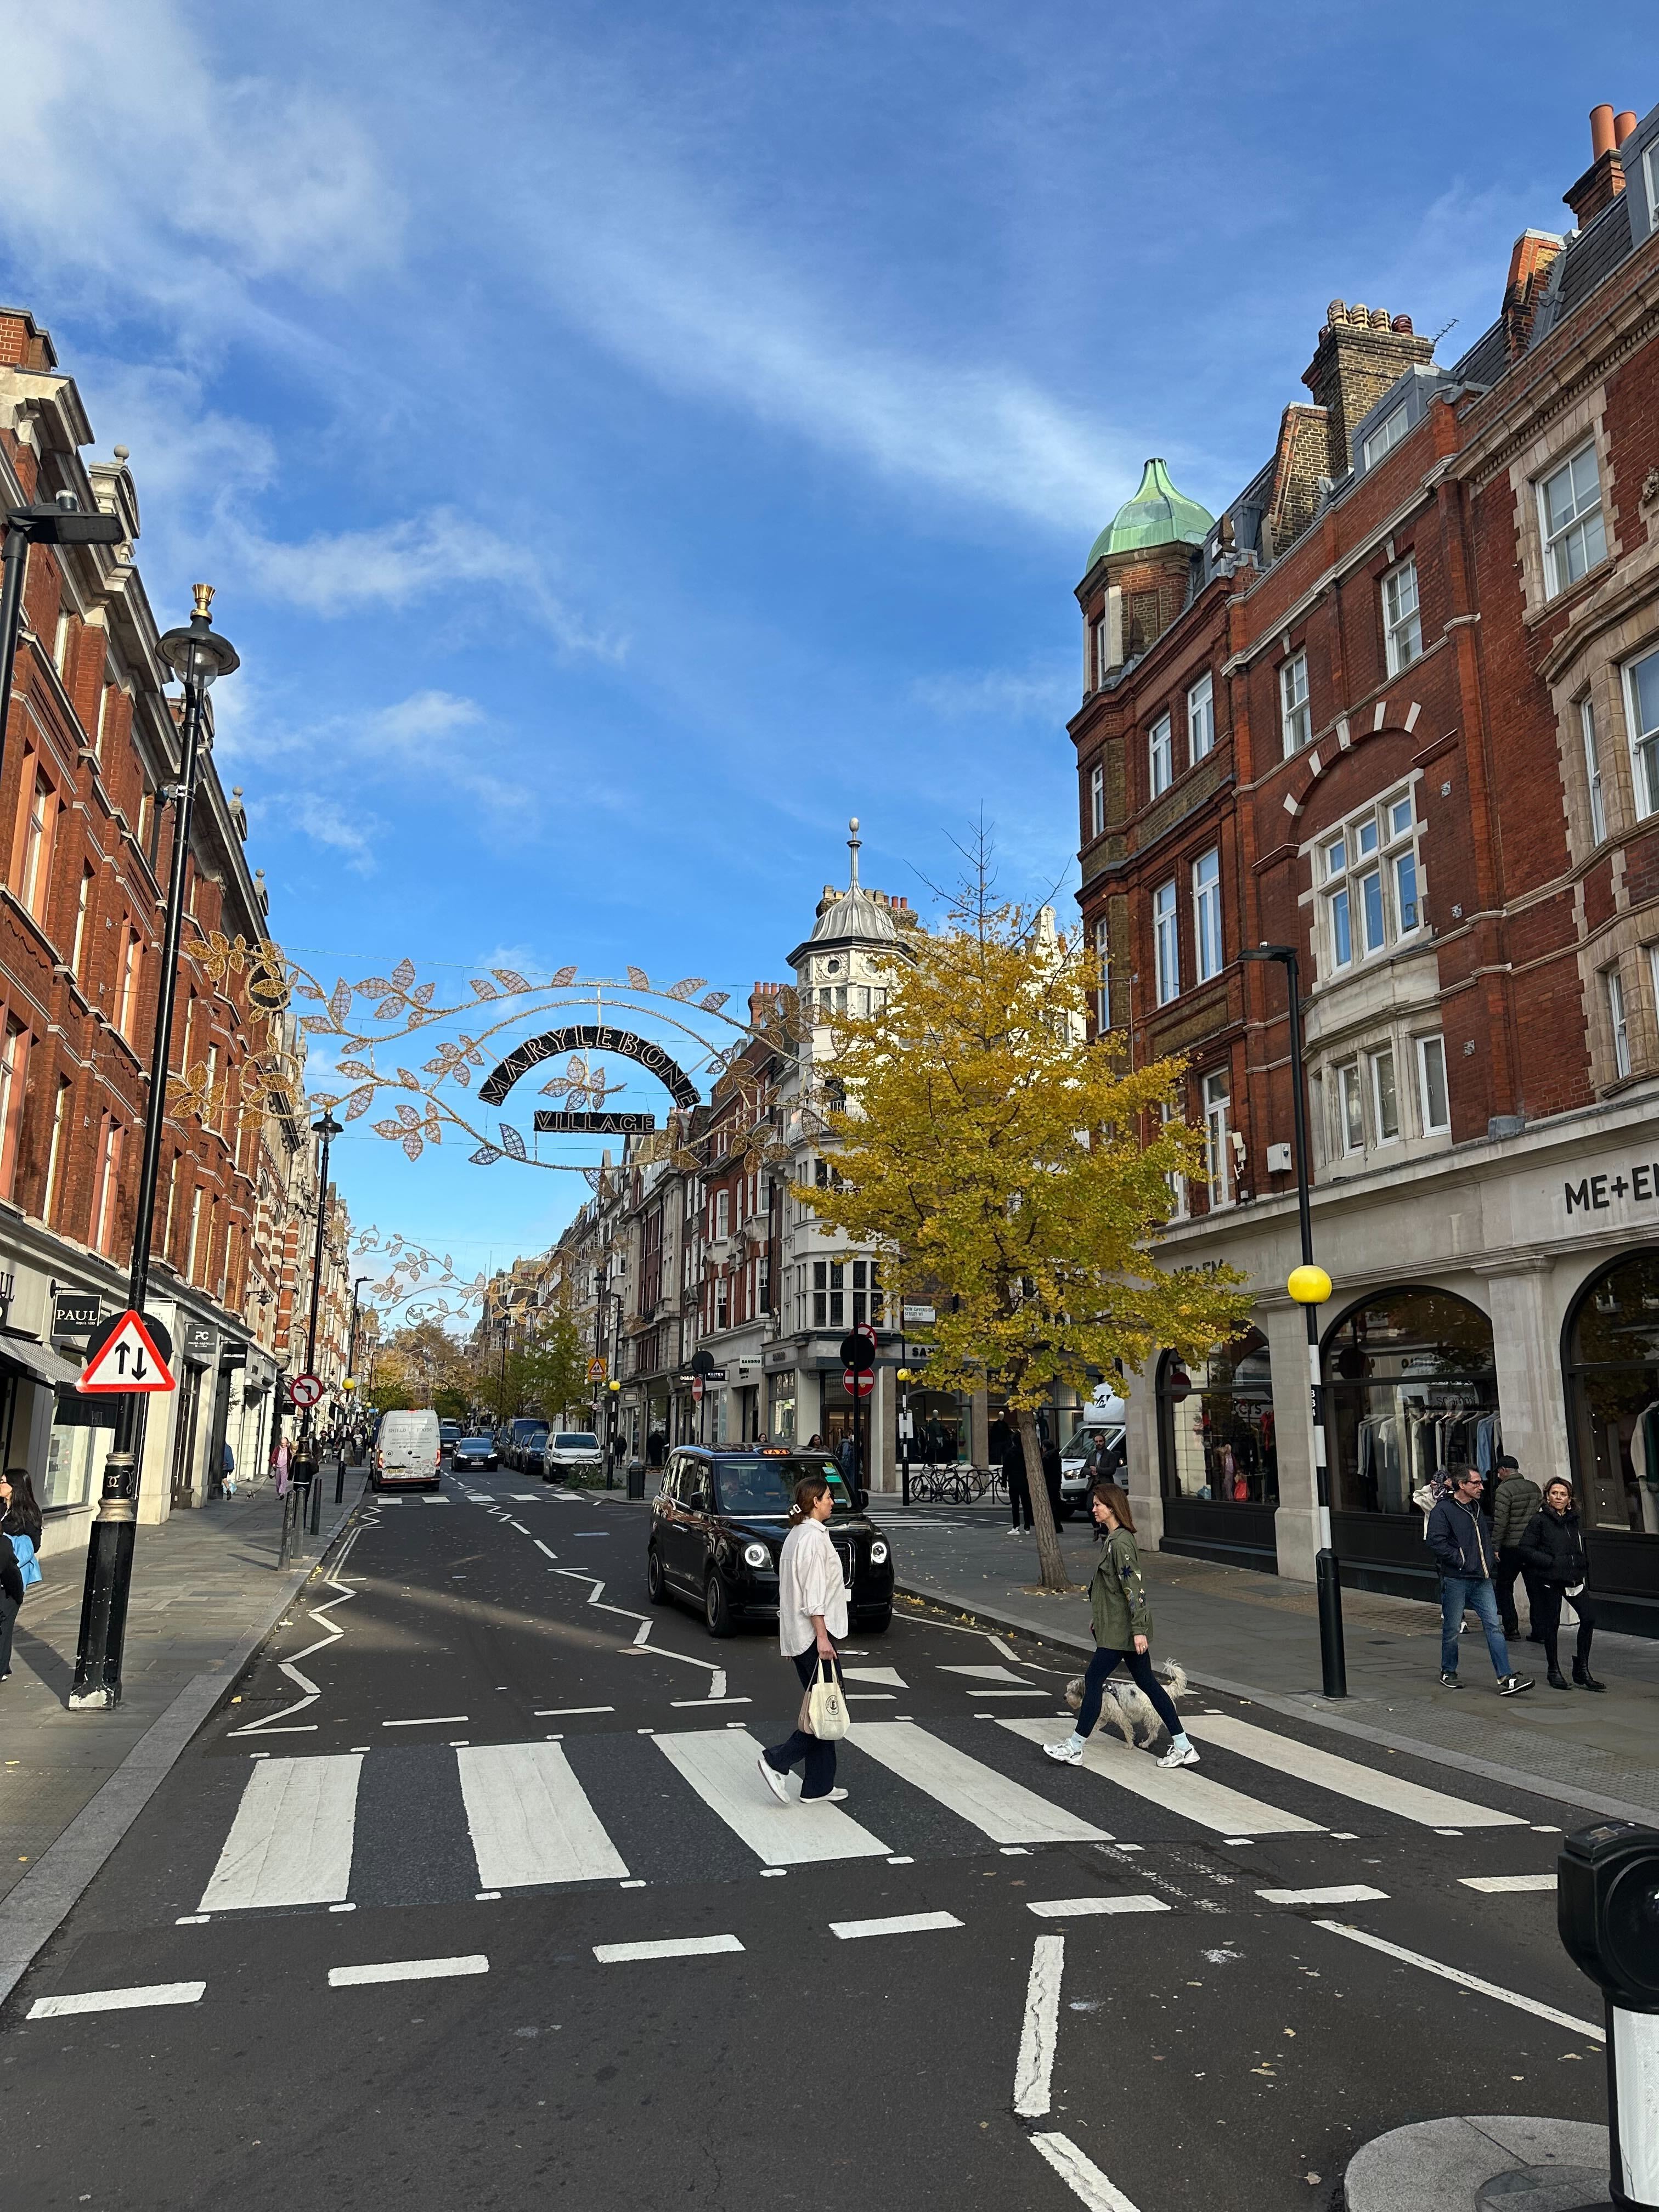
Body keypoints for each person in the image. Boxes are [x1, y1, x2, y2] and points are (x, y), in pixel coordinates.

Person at [1045, 1482, 1198, 1769]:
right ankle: (1183, 1745)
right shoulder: (1114, 1539)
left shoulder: (1121, 1543)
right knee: (1149, 1685)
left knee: (1093, 1681)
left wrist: (1139, 1629)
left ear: (1112, 1508)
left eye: (1097, 1505)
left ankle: (1075, 1747)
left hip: (1122, 1632)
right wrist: (1098, 1618)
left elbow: (1134, 1588)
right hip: (1116, 1627)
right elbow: (1112, 1590)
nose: (1093, 1509)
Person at [757, 1474, 849, 1805]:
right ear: (814, 1501)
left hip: (803, 1635)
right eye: (828, 1496)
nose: (832, 1502)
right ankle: (777, 1761)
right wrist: (822, 1639)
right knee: (824, 1708)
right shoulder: (811, 1538)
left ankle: (818, 1786)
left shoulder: (797, 1535)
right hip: (814, 1636)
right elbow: (812, 1596)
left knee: (823, 1706)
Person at [1426, 1464, 1533, 1695]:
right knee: (1452, 1628)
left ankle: (1506, 1677)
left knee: (1494, 1626)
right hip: (1457, 1578)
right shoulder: (1443, 1510)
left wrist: (1488, 1558)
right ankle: (1449, 1671)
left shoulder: (1475, 1507)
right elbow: (1435, 1541)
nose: (1481, 1487)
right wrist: (1461, 1560)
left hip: (1482, 1577)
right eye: (1475, 1483)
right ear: (1462, 1485)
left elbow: (1482, 1535)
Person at [1520, 1478, 1604, 1691]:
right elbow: (1526, 1549)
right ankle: (1553, 1670)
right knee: (1552, 1624)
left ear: (1569, 1499)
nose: (1558, 1497)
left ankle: (1582, 1669)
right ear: (1547, 1496)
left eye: (1563, 1494)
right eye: (1554, 1493)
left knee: (1589, 1618)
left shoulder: (1573, 1520)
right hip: (1550, 1580)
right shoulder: (1539, 1520)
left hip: (1574, 1578)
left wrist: (1582, 1564)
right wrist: (1550, 1562)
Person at [1489, 1453, 1543, 1642]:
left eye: (1498, 1472)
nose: (1497, 1476)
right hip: (1532, 1548)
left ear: (1504, 1471)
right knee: (1535, 1589)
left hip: (1511, 1547)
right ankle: (1540, 1631)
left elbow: (1501, 1521)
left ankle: (1511, 1629)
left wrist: (1495, 1545)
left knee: (1504, 1587)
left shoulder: (1504, 1490)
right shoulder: (1534, 1487)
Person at [0, 1468, 42, 1681]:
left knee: (3, 1622)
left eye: (3, 1481)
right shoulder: (1, 1509)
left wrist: (10, 1546)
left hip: (12, 1576)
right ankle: (3, 1665)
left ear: (14, 1487)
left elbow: (34, 1545)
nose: (0, 1485)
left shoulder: (28, 1513)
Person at [1005, 1424, 1032, 1536]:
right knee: (1026, 1505)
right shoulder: (1026, 1453)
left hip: (1013, 1482)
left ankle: (1016, 1527)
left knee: (1015, 1506)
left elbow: (1006, 1468)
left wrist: (1003, 1481)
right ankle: (1027, 1527)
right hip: (1025, 1481)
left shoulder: (1010, 1453)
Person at [1041, 1435, 1064, 1526]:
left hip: (1049, 1483)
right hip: (1056, 1483)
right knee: (1055, 1504)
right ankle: (1057, 1524)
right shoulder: (1057, 1457)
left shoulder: (1046, 1458)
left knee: (1051, 1504)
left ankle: (1054, 1524)